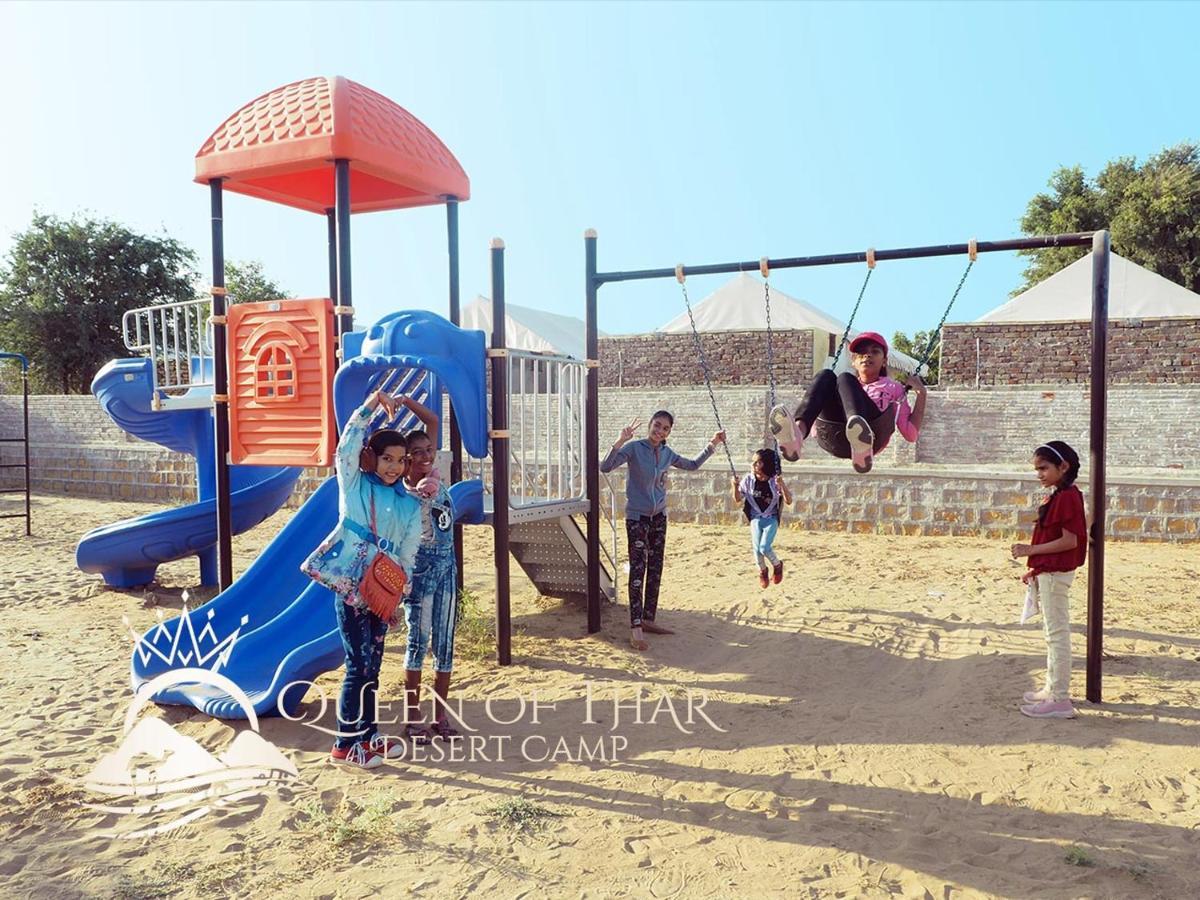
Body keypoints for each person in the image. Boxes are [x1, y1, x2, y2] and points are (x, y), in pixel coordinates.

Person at [302, 390, 421, 770]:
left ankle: (368, 737)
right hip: (353, 587)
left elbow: (408, 550)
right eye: (387, 458)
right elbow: (346, 446)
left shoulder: (409, 503)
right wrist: (370, 403)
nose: (394, 467)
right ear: (371, 458)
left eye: (401, 461)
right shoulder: (354, 483)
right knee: (357, 664)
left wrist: (398, 588)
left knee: (374, 664)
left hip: (383, 591)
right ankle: (344, 743)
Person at [601, 411, 726, 651]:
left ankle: (648, 619)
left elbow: (692, 465)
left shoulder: (667, 453)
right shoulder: (634, 448)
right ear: (650, 425)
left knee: (656, 568)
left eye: (665, 428)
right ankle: (635, 627)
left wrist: (713, 443)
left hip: (659, 517)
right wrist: (620, 440)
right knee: (638, 570)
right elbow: (606, 467)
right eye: (657, 425)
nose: (660, 431)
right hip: (637, 518)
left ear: (669, 432)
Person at [393, 397, 462, 743]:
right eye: (416, 453)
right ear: (405, 460)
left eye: (427, 450)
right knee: (417, 643)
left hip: (448, 568)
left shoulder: (438, 476)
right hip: (420, 573)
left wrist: (406, 401)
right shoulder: (402, 493)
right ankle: (412, 719)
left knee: (446, 643)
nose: (425, 456)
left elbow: (433, 421)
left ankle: (440, 718)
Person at [769, 331, 926, 474]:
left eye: (874, 352)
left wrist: (921, 394)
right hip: (833, 436)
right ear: (853, 361)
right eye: (861, 353)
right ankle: (797, 434)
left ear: (884, 361)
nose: (867, 356)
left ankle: (861, 441)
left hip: (874, 435)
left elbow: (910, 434)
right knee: (826, 375)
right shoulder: (844, 387)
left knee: (845, 378)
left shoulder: (894, 389)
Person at [1011, 440, 1087, 719]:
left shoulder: (1066, 497)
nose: (1039, 474)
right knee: (1052, 634)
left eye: (1043, 468)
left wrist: (1031, 551)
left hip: (1056, 574)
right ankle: (1052, 689)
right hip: (1050, 573)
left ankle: (1060, 698)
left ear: (1063, 467)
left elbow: (1069, 541)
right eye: (1037, 469)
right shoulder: (1063, 494)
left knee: (1057, 635)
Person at [731, 449, 792, 588]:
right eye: (753, 461)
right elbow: (738, 499)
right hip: (756, 518)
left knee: (764, 547)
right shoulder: (749, 479)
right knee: (757, 549)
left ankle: (777, 565)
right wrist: (734, 486)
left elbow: (789, 501)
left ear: (766, 465)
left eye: (757, 462)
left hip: (771, 518)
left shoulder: (774, 481)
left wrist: (782, 484)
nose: (753, 464)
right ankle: (763, 571)